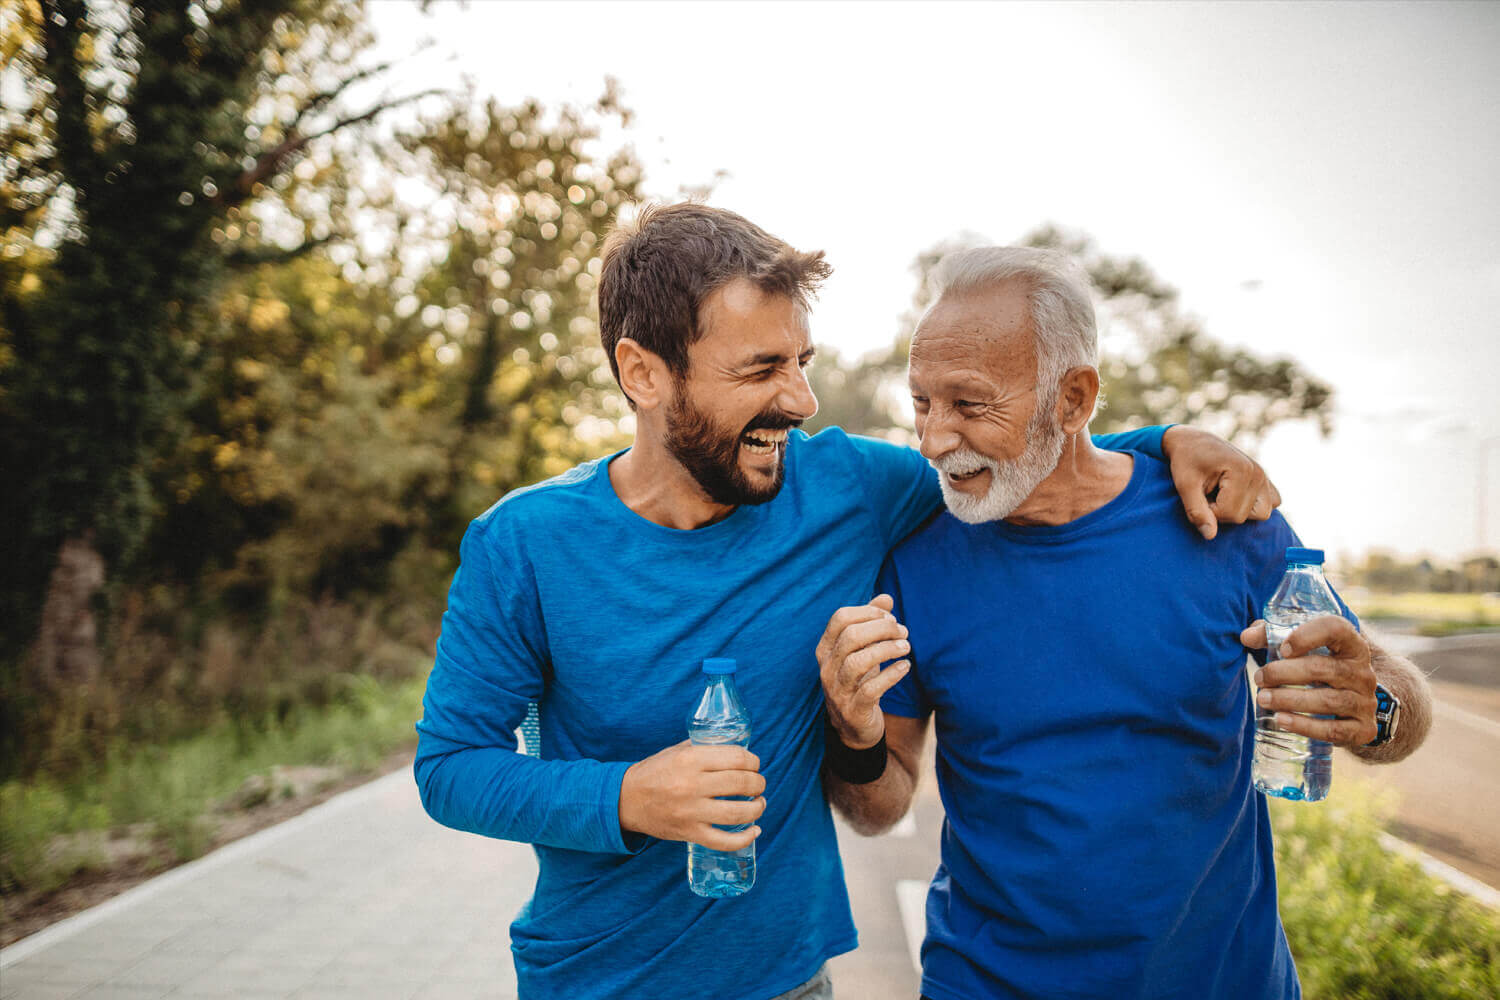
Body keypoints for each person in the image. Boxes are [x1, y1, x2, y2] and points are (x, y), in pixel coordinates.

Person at [413, 204, 1281, 1000]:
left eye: (801, 362)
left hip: (794, 982)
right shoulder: (523, 544)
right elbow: (450, 768)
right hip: (596, 981)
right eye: (761, 369)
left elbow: (1028, 459)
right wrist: (628, 797)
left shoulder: (852, 489)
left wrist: (1168, 444)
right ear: (643, 373)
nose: (798, 399)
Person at [817, 246, 1433, 1000]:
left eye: (970, 404)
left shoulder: (1222, 519)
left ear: (1073, 400)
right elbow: (881, 809)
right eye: (922, 402)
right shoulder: (917, 559)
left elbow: (1398, 705)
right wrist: (854, 736)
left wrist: (1375, 705)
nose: (935, 439)